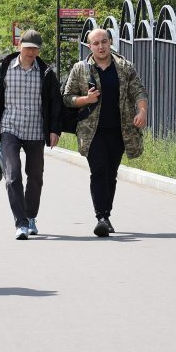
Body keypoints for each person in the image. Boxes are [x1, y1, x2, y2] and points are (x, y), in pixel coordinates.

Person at [63, 28, 147, 237]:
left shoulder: (124, 67)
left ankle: (106, 215)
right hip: (91, 132)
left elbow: (139, 90)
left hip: (119, 130)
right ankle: (101, 217)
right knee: (99, 170)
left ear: (110, 42)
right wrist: (85, 100)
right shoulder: (80, 69)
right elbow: (67, 97)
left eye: (104, 42)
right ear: (89, 47)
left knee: (110, 174)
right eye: (96, 43)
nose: (100, 46)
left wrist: (142, 110)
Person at [0, 29, 62, 240]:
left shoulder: (46, 73)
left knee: (35, 176)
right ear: (19, 46)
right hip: (9, 127)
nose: (30, 52)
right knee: (13, 175)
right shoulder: (5, 68)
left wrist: (55, 130)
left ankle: (30, 217)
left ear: (39, 51)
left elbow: (55, 103)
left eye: (35, 49)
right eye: (27, 48)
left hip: (36, 130)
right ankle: (20, 223)